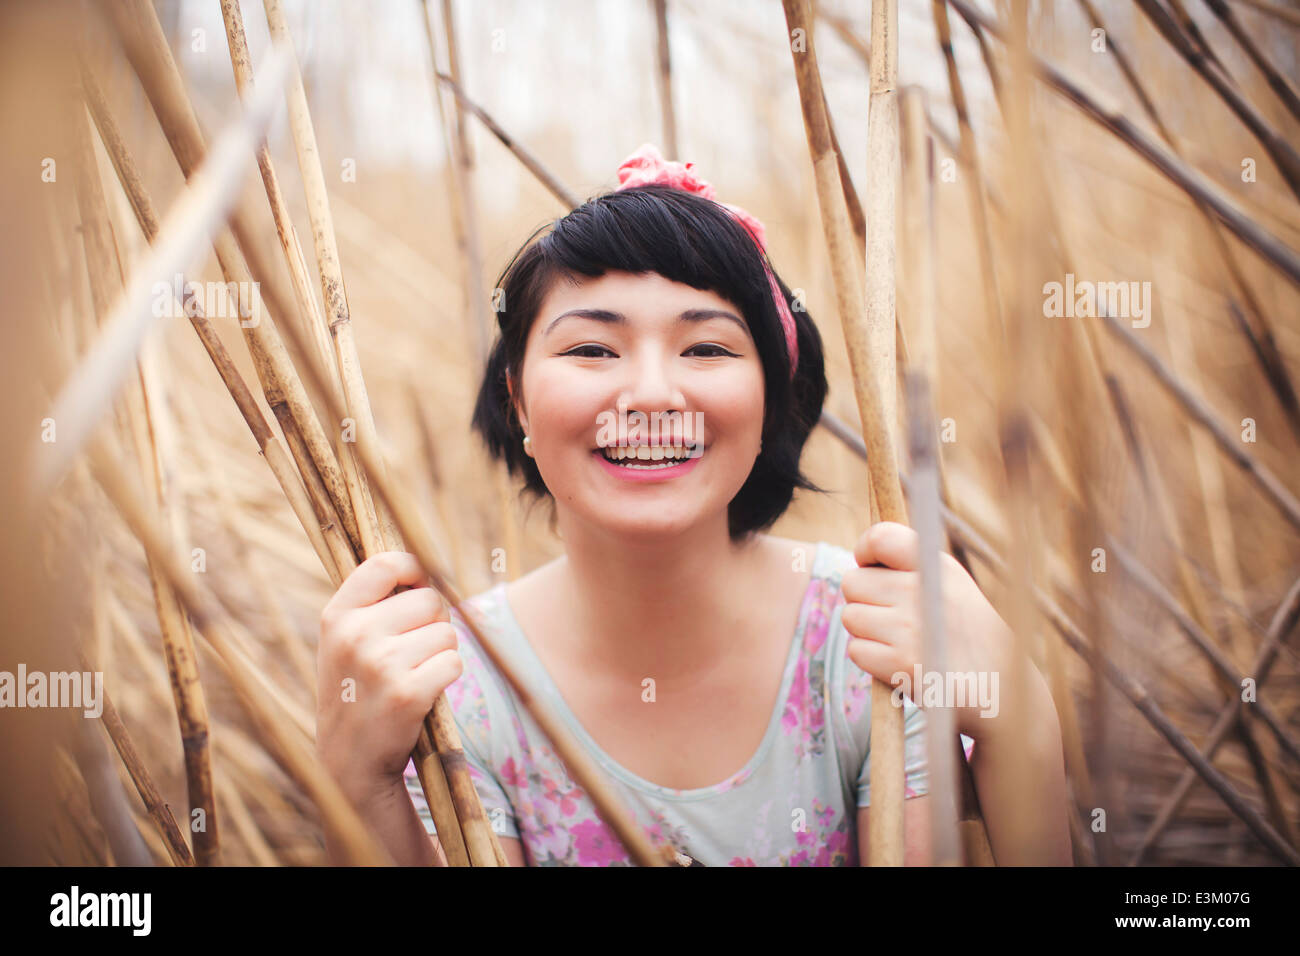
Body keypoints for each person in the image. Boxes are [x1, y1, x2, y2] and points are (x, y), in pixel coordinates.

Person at [315, 145, 1071, 866]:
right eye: (592, 350)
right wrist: (357, 786)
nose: (651, 394)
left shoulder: (871, 639)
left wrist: (1020, 716)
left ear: (772, 401)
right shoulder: (459, 684)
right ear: (517, 402)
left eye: (706, 349)